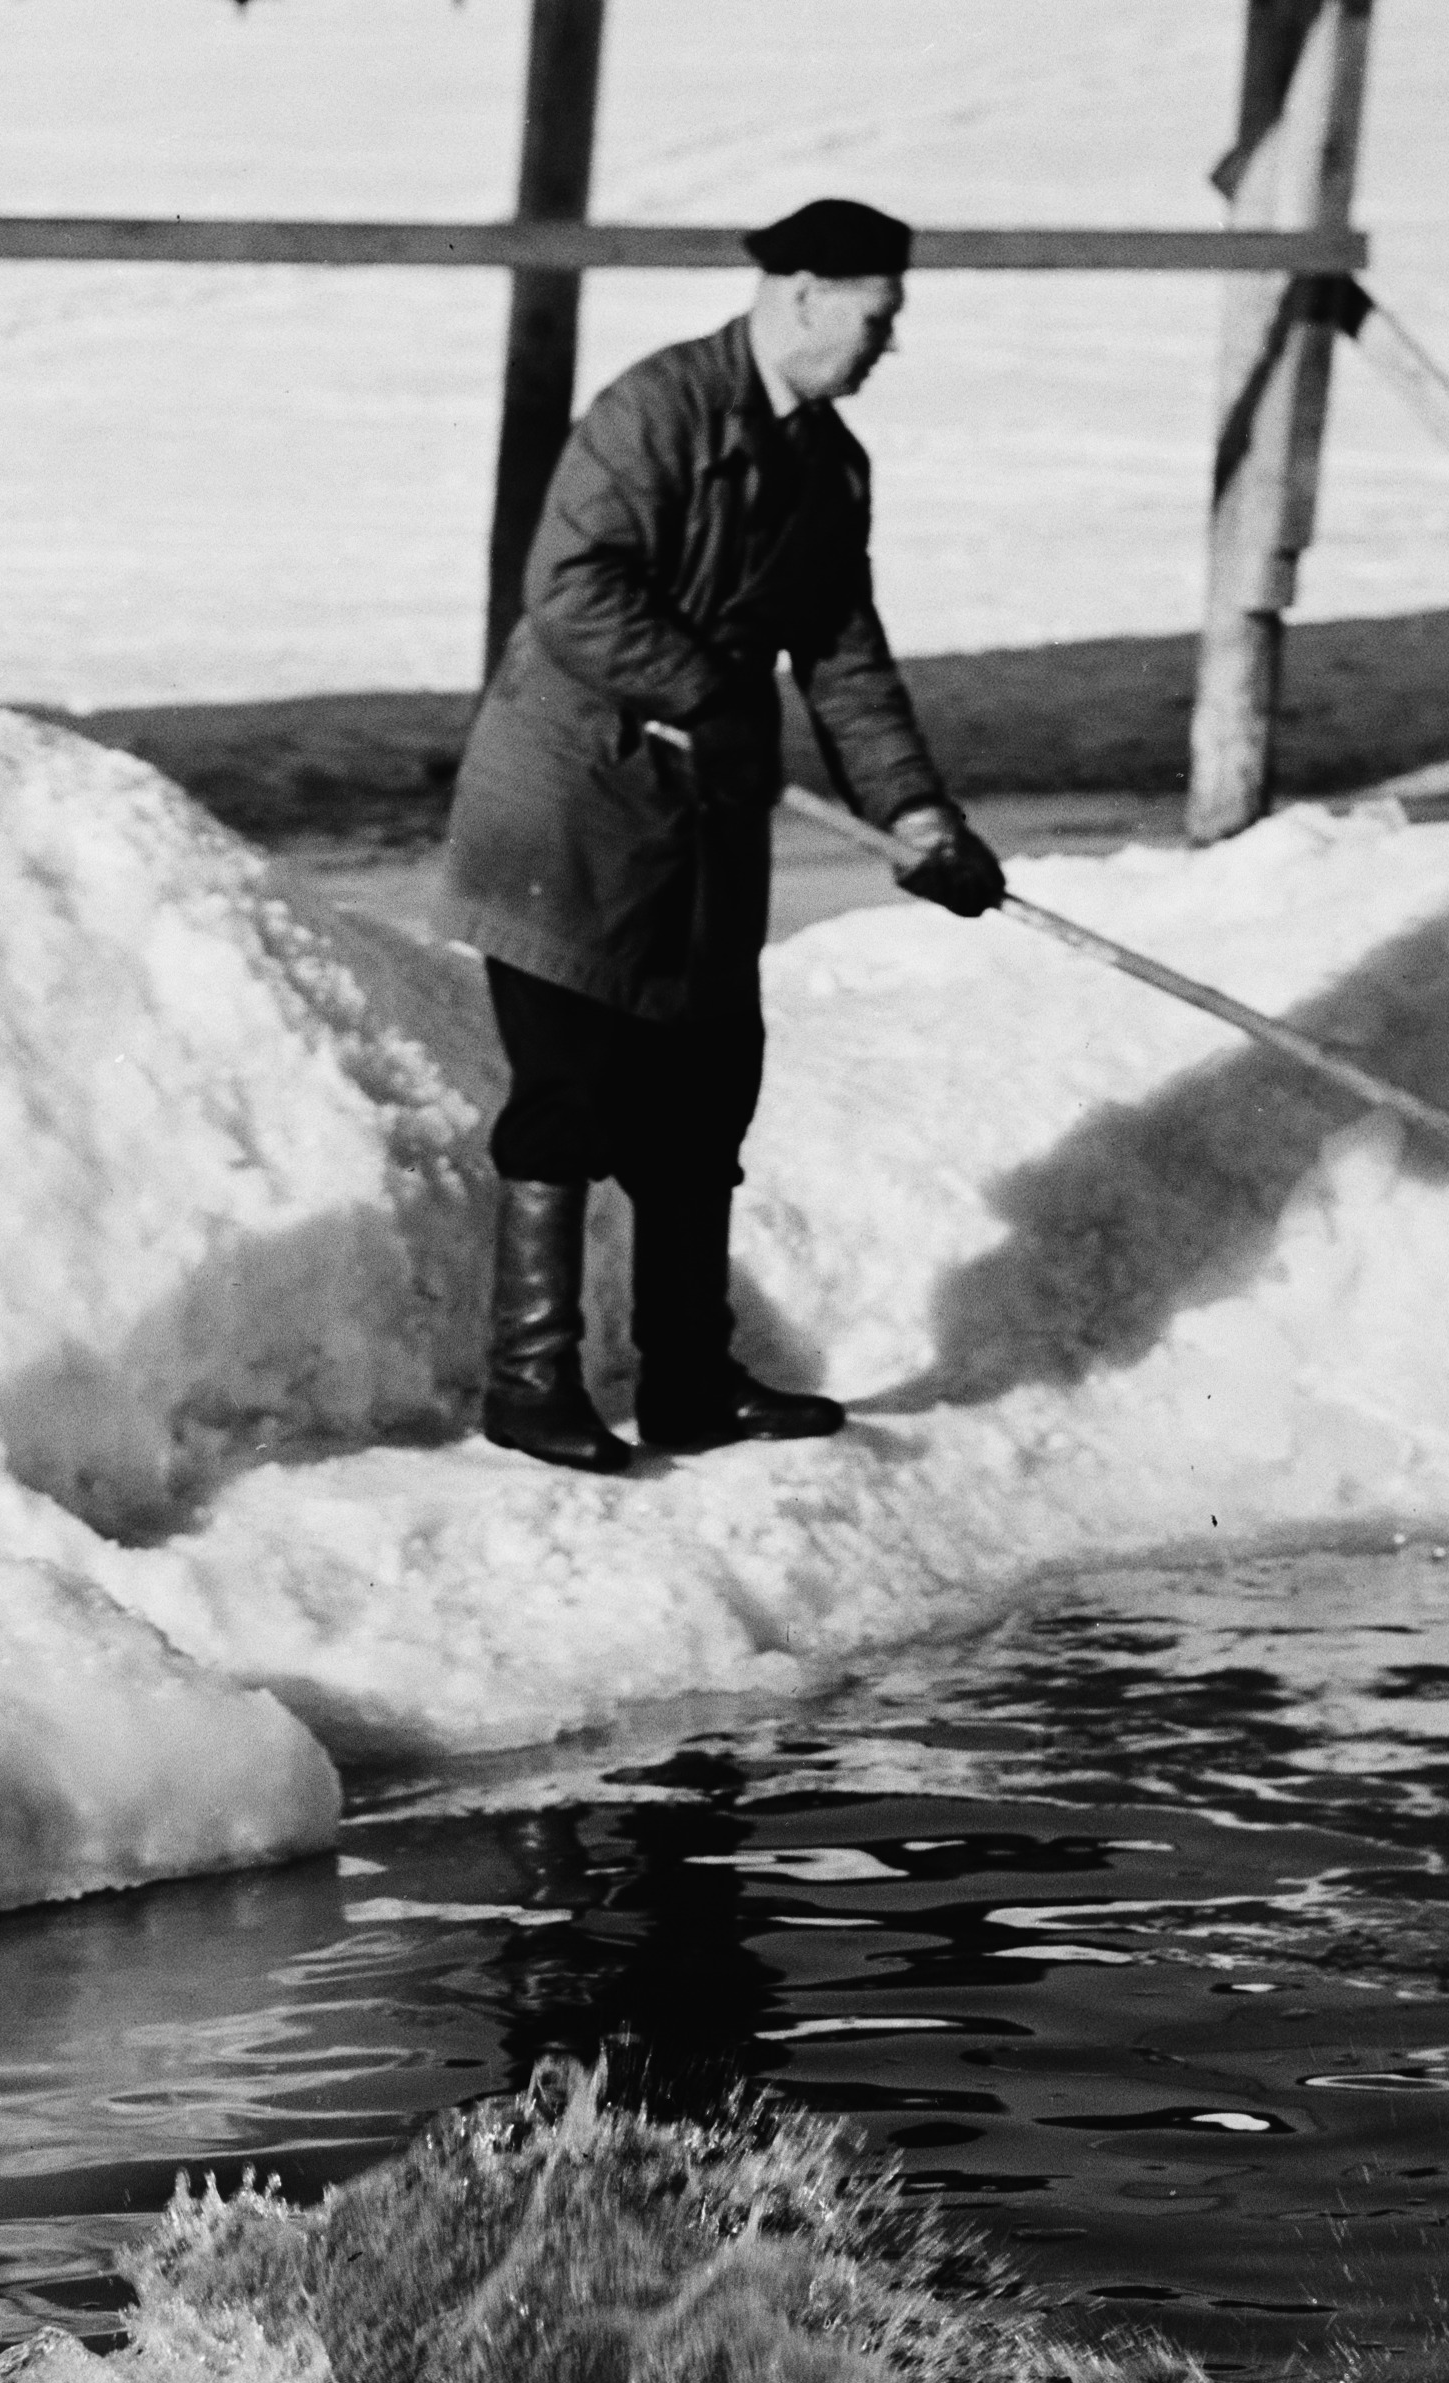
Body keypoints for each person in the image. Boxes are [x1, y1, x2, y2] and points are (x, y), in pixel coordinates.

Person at [437, 195, 1010, 1475]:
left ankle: (690, 1378)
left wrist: (920, 816)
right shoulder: (656, 412)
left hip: (701, 829)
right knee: (569, 1095)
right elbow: (572, 590)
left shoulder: (829, 465)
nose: (887, 344)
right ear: (803, 294)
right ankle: (530, 1386)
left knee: (702, 1098)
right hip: (569, 813)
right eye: (878, 316)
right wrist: (704, 690)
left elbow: (846, 660)